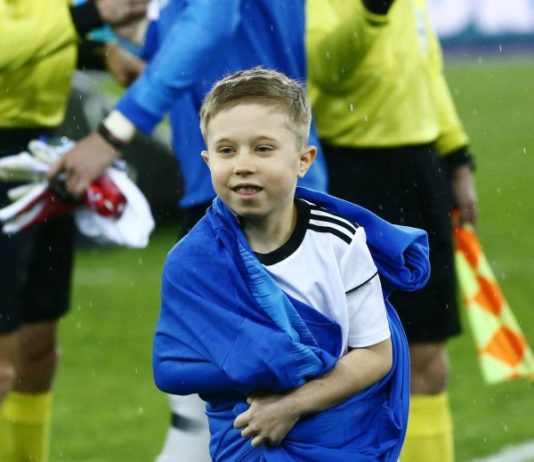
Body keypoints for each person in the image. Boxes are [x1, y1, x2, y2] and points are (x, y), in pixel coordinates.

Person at [47, 2, 329, 459]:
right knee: (208, 399)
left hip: (263, 197)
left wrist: (113, 133)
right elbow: (208, 36)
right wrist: (131, 37)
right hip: (223, 191)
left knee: (277, 407)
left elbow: (211, 26)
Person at [152, 67, 431, 461]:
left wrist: (290, 404)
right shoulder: (192, 261)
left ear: (303, 160)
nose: (243, 164)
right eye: (227, 150)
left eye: (263, 149)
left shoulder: (339, 242)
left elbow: (375, 355)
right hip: (246, 439)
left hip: (340, 438)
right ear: (207, 160)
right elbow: (174, 364)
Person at [305, 1, 478, 461]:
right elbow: (325, 69)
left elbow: (429, 72)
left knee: (429, 359)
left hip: (421, 172)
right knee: (361, 363)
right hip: (353, 175)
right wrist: (372, 11)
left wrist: (457, 156)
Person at [0, 1, 148, 461]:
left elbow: (44, 26)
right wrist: (88, 16)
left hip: (37, 152)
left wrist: (102, 50)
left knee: (37, 352)